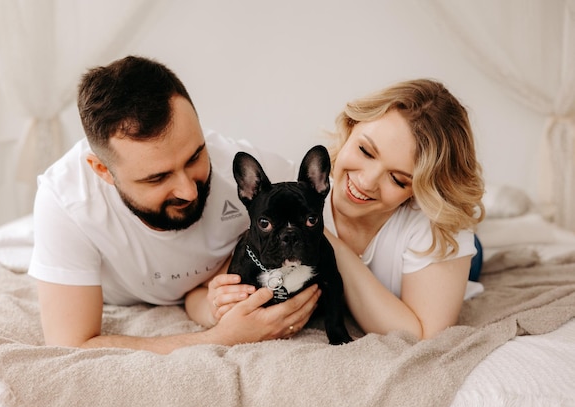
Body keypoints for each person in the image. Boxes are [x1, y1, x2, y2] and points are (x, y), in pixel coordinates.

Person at [29, 55, 321, 355]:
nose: (189, 191)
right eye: (157, 178)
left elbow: (334, 213)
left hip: (203, 289)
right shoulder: (67, 202)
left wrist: (218, 304)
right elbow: (72, 343)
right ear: (103, 171)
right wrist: (223, 337)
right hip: (123, 295)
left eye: (194, 156)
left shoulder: (246, 171)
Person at [323, 79, 485, 339]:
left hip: (437, 250)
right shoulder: (297, 189)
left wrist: (330, 244)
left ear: (419, 192)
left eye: (398, 179)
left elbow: (423, 336)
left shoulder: (437, 227)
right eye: (365, 151)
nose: (366, 182)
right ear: (351, 125)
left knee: (472, 250)